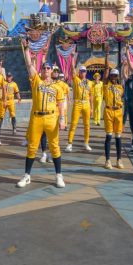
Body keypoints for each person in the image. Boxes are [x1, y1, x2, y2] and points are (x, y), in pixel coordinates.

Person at [16, 38, 67, 188]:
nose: (46, 70)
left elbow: (61, 104)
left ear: (52, 70)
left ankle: (59, 176)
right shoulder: (36, 81)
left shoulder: (58, 86)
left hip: (51, 117)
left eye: (48, 68)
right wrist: (26, 50)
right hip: (37, 118)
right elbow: (29, 65)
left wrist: (62, 119)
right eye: (44, 68)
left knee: (55, 146)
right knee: (32, 147)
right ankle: (27, 176)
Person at [102, 60, 127, 169]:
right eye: (112, 75)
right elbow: (105, 73)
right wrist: (107, 56)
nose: (113, 77)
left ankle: (119, 159)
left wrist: (125, 65)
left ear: (117, 77)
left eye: (115, 75)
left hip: (118, 112)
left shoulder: (121, 87)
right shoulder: (106, 85)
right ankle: (107, 160)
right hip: (109, 111)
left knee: (118, 137)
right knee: (109, 136)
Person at [66, 65, 93, 152]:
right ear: (79, 72)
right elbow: (72, 71)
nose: (83, 73)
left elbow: (91, 95)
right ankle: (69, 143)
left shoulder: (90, 82)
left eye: (84, 71)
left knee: (87, 125)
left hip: (86, 103)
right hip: (77, 103)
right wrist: (72, 61)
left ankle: (86, 143)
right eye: (81, 71)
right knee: (73, 124)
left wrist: (92, 108)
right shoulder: (76, 79)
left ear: (86, 72)